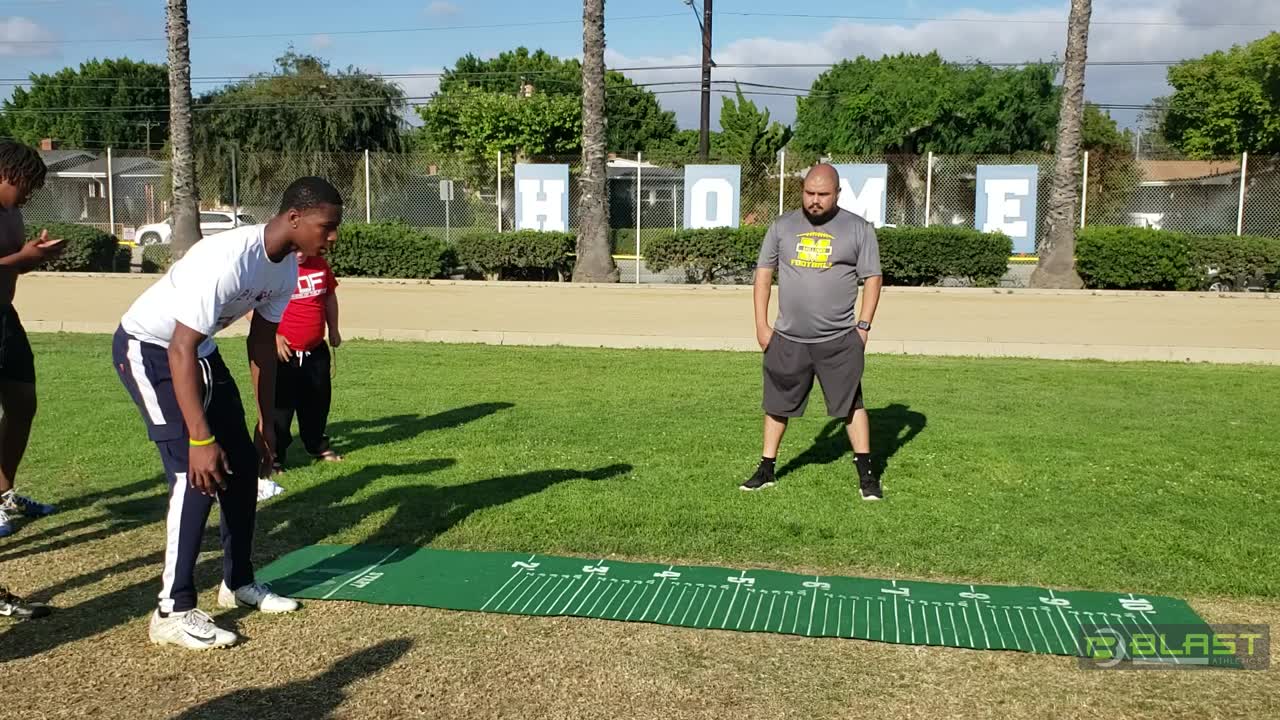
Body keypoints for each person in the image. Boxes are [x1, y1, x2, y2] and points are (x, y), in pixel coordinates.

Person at [112, 177, 343, 649]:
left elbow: (262, 346)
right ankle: (171, 611)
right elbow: (179, 348)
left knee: (240, 468)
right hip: (151, 350)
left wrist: (265, 426)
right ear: (295, 218)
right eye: (328, 226)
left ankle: (237, 584)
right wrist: (199, 438)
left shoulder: (286, 270)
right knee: (193, 475)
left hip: (201, 353)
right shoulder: (227, 259)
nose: (333, 236)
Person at [744, 163, 885, 500]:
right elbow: (764, 272)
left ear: (837, 193)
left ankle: (867, 474)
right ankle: (766, 469)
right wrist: (762, 325)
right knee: (777, 404)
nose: (815, 200)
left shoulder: (858, 229)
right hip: (787, 338)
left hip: (838, 339)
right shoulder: (782, 226)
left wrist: (863, 326)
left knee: (851, 404)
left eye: (823, 194)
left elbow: (873, 279)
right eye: (809, 193)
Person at [0, 141, 64, 538]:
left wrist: (34, 256)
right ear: (8, 173)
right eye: (28, 184)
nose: (30, 193)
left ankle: (4, 491)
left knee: (23, 403)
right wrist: (18, 259)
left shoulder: (14, 213)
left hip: (5, 318)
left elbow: (11, 267)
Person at [258, 249, 343, 500]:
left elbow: (329, 298)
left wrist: (334, 329)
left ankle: (317, 446)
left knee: (318, 403)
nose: (301, 253)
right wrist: (273, 336)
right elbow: (252, 306)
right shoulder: (273, 270)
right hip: (284, 354)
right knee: (280, 411)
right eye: (296, 249)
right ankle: (274, 457)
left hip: (315, 349)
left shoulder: (319, 265)